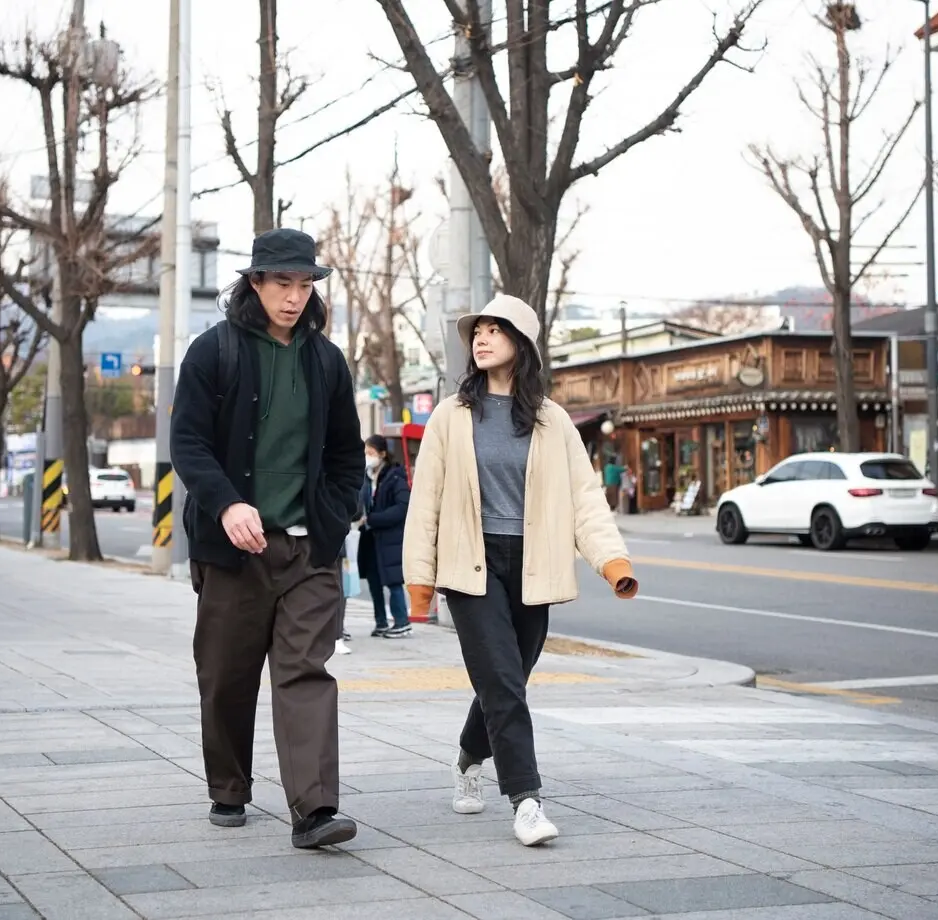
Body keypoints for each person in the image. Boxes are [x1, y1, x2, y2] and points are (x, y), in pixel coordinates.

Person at [403, 294, 639, 847]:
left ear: (522, 344)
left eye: (494, 330)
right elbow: (427, 502)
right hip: (471, 567)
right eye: (476, 331)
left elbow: (585, 500)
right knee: (505, 683)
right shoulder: (451, 415)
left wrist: (612, 561)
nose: (480, 338)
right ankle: (527, 802)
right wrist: (419, 580)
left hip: (534, 567)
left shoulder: (552, 421)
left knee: (506, 680)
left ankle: (467, 758)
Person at [171, 227, 365, 850]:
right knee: (226, 674)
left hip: (308, 551)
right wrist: (227, 504)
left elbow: (345, 456)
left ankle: (314, 809)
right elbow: (188, 444)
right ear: (255, 282)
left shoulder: (327, 361)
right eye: (282, 282)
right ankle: (229, 786)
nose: (294, 296)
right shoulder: (213, 351)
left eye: (305, 284)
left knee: (305, 671)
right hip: (233, 549)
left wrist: (333, 520)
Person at [357, 434, 412, 637]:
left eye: (371, 453)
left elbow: (402, 507)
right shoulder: (367, 477)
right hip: (370, 538)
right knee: (373, 580)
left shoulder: (395, 476)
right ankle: (381, 622)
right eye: (365, 453)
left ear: (382, 454)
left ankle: (402, 622)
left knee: (393, 580)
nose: (367, 457)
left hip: (389, 538)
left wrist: (373, 519)